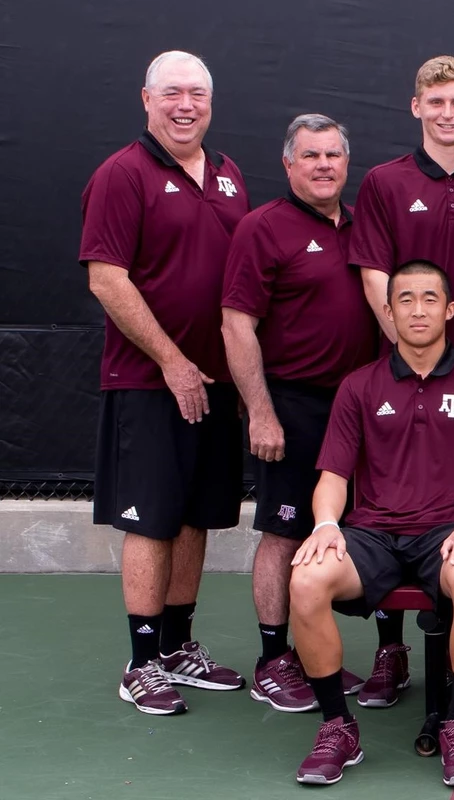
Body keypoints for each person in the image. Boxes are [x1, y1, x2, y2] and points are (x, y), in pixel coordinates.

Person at [287, 260, 454, 785]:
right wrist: (324, 526)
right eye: (405, 299)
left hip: (445, 531)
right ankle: (338, 726)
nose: (418, 310)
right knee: (306, 580)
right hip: (373, 533)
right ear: (388, 311)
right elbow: (334, 475)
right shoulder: (360, 385)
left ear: (450, 309)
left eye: (430, 298)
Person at [81, 51, 249, 715]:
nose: (186, 105)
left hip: (217, 385)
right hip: (151, 384)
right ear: (145, 99)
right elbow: (106, 278)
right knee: (152, 522)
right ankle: (142, 660)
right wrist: (173, 362)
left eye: (198, 95)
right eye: (173, 93)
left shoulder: (230, 175)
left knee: (196, 516)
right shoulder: (122, 175)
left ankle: (178, 647)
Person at [349, 57, 454, 704]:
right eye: (435, 101)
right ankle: (392, 650)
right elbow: (373, 276)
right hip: (400, 375)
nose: (447, 112)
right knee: (390, 503)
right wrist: (410, 354)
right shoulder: (385, 183)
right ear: (416, 107)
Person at [221, 114, 377, 711]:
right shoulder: (263, 228)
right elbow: (238, 326)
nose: (323, 166)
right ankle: (272, 659)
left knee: (357, 527)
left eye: (333, 155)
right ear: (288, 164)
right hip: (292, 405)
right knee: (285, 531)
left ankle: (332, 658)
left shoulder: (363, 228)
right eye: (310, 156)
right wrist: (261, 412)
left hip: (359, 407)